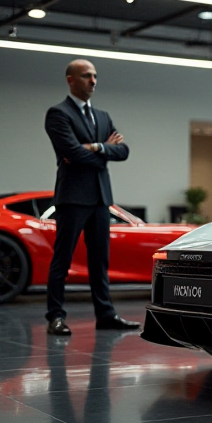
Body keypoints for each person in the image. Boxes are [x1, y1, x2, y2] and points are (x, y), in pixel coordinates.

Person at [44, 59, 140, 335]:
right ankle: (56, 317)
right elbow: (72, 153)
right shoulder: (58, 114)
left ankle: (106, 315)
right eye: (87, 76)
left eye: (95, 76)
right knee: (62, 260)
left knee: (100, 261)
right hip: (72, 197)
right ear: (70, 80)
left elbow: (124, 151)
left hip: (100, 198)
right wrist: (104, 152)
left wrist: (96, 147)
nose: (93, 81)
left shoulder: (103, 116)